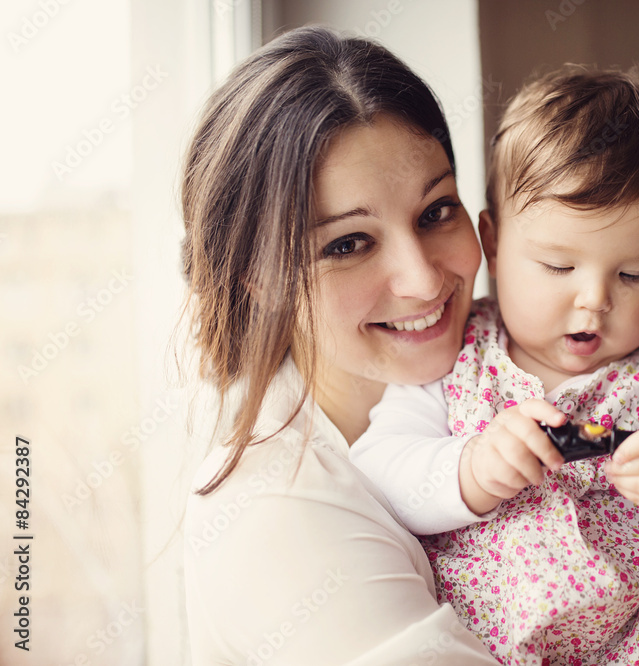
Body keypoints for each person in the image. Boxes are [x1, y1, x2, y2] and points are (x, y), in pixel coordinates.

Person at [351, 67, 639, 665]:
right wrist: (472, 468)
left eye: (635, 274)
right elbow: (378, 470)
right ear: (495, 242)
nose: (596, 299)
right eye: (560, 267)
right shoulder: (457, 357)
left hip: (638, 644)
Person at [180, 26, 501, 664]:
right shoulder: (274, 515)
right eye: (348, 244)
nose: (425, 279)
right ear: (259, 279)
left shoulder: (517, 364)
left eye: (436, 211)